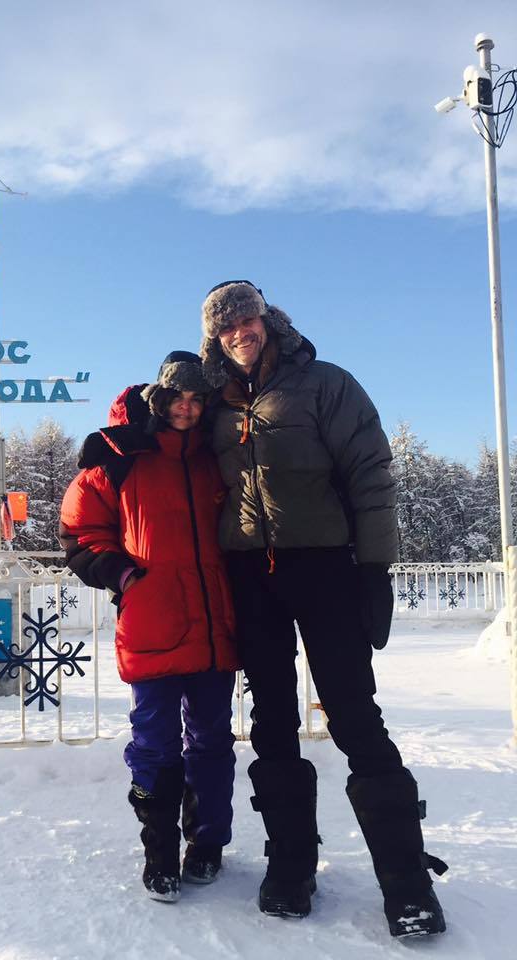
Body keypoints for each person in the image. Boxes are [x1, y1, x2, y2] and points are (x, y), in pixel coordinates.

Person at [198, 280, 447, 937]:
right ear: (215, 339)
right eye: (226, 328)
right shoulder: (215, 402)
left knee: (354, 713)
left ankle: (406, 880)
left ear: (267, 322)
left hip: (325, 569)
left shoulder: (325, 384)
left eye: (247, 321)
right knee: (273, 720)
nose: (239, 333)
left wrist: (374, 568)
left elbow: (370, 473)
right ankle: (291, 864)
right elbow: (165, 433)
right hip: (251, 576)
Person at [59, 353, 240, 902]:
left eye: (197, 400)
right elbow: (81, 529)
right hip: (152, 622)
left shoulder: (216, 457)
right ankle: (159, 852)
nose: (187, 409)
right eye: (177, 398)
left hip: (215, 626)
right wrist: (123, 574)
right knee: (155, 744)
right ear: (158, 400)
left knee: (212, 742)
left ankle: (207, 843)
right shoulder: (120, 457)